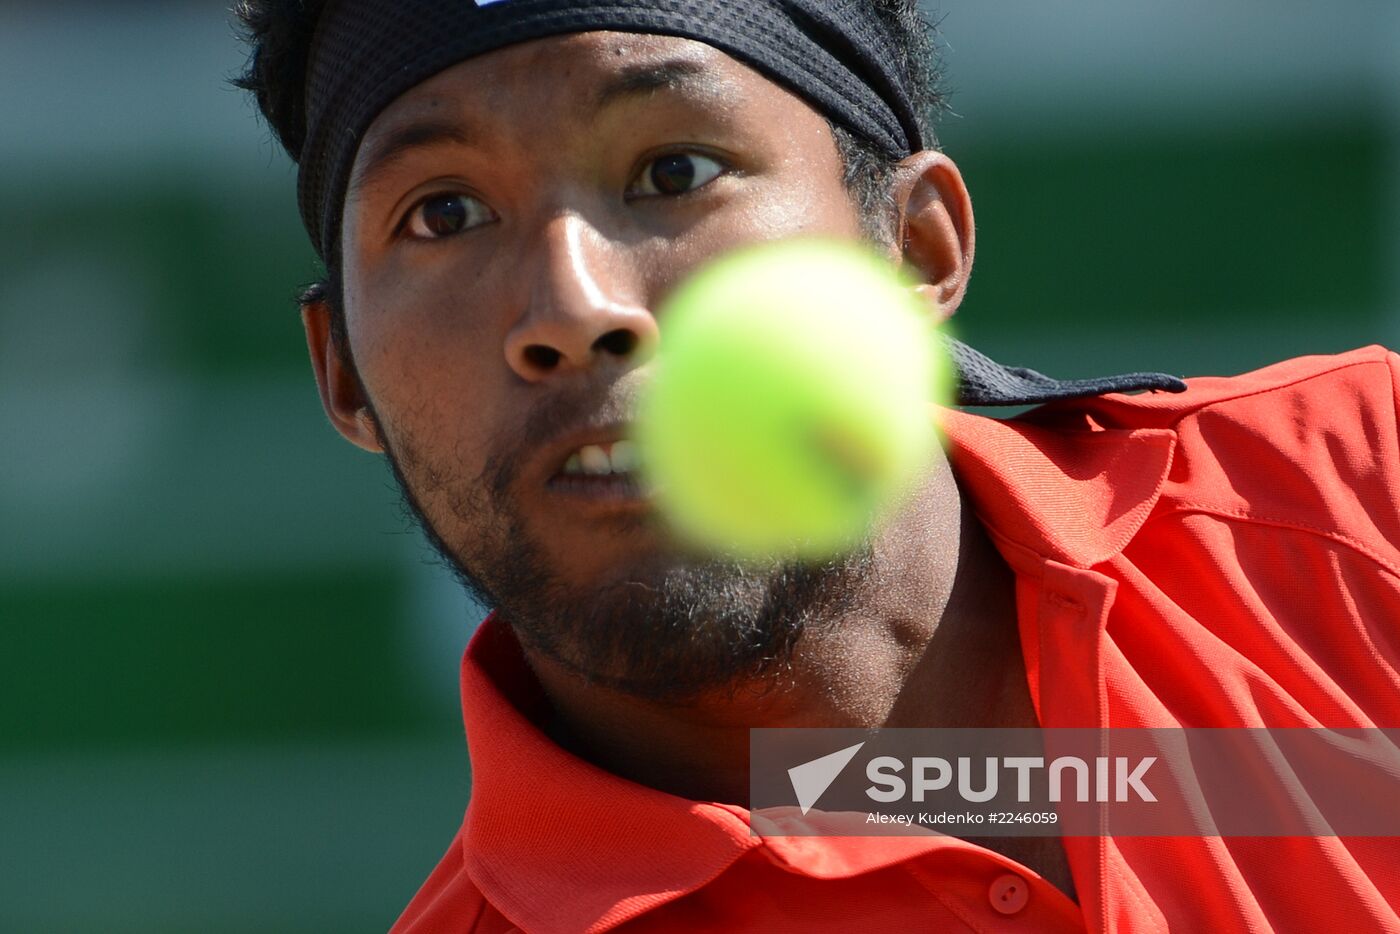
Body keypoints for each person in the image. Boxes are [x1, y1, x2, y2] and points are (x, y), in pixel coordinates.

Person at [233, 1, 1400, 931]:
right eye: (442, 213)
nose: (571, 306)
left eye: (672, 172)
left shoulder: (1366, 482)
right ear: (342, 375)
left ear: (916, 246)